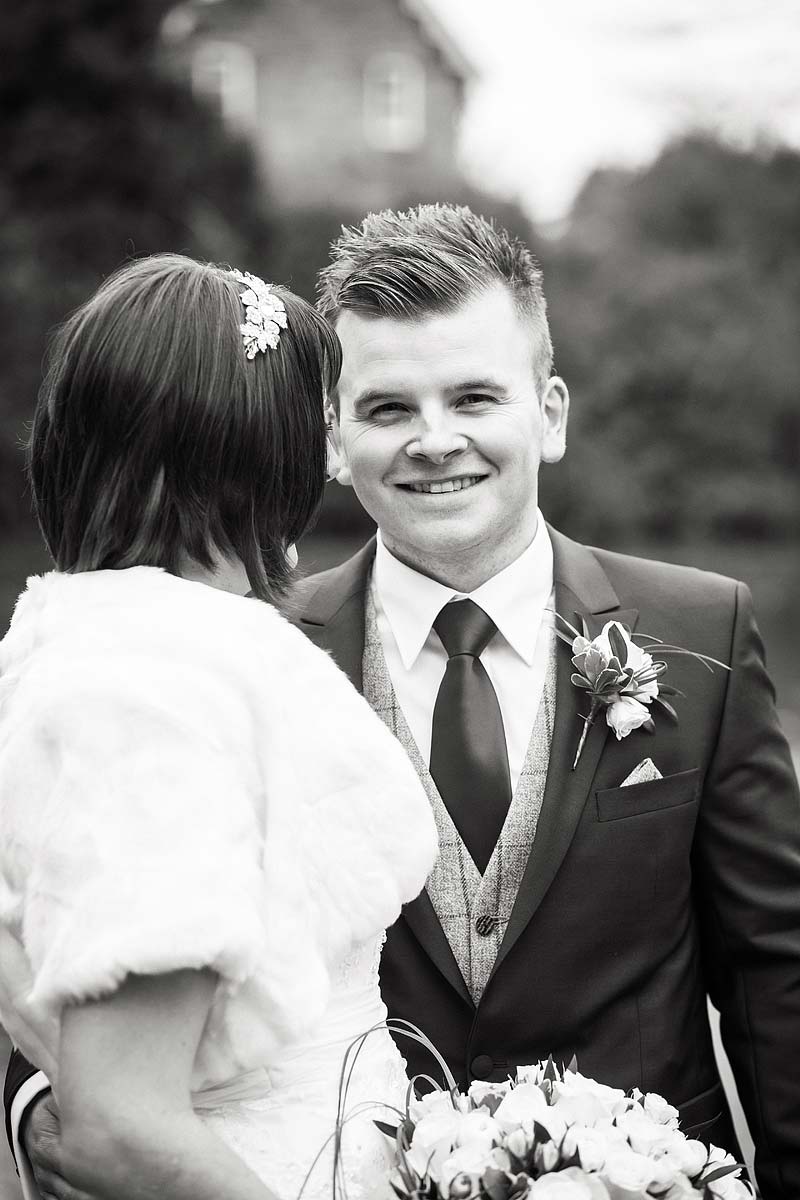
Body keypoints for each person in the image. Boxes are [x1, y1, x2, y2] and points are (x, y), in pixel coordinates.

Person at [7, 207, 800, 1198]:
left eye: (473, 397)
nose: (435, 439)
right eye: (386, 409)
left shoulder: (702, 631)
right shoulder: (230, 656)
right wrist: (44, 1106)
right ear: (332, 441)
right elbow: (70, 923)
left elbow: (776, 968)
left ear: (549, 414)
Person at [0, 253, 438, 1200]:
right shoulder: (147, 686)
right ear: (245, 457)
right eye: (309, 434)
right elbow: (120, 1122)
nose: (327, 465)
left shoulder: (101, 644)